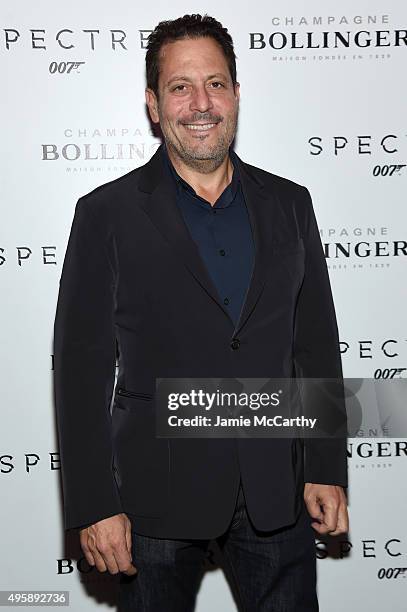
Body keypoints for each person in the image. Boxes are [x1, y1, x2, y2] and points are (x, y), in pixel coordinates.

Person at [53, 13, 349, 612]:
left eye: (215, 83)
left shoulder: (292, 204)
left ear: (237, 94)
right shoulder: (105, 214)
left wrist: (324, 465)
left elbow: (313, 344)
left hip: (277, 491)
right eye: (180, 87)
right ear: (154, 105)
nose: (201, 103)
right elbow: (82, 370)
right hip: (153, 501)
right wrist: (93, 504)